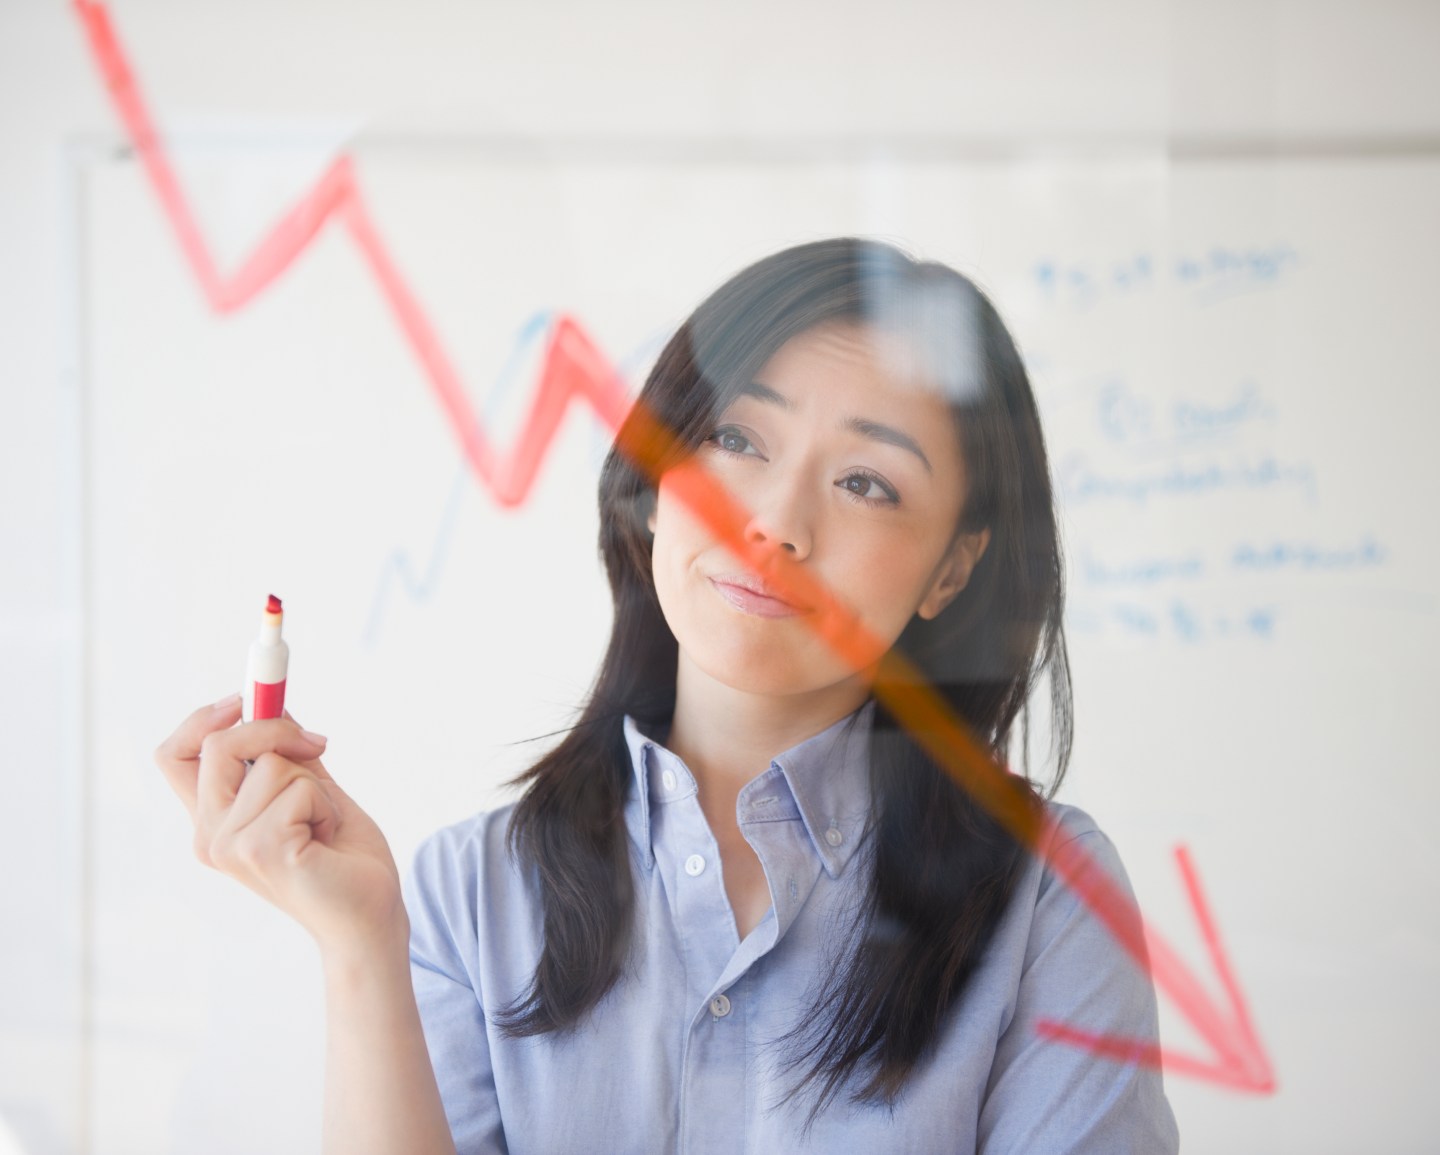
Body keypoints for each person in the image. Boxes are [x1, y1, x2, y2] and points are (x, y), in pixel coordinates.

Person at [156, 238, 1179, 1154]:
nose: (775, 524)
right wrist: (358, 947)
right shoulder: (468, 896)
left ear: (951, 570)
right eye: (739, 440)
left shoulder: (1049, 899)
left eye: (866, 482)